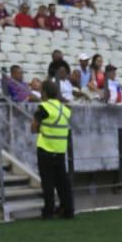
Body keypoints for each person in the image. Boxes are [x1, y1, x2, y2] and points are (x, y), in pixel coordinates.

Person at [34, 78, 73, 219]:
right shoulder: (65, 109)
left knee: (48, 182)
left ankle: (48, 211)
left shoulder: (43, 107)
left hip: (45, 149)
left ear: (44, 93)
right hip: (61, 150)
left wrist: (39, 128)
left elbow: (33, 127)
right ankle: (68, 209)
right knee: (63, 182)